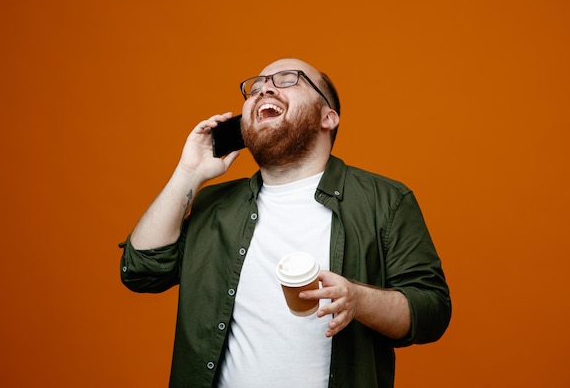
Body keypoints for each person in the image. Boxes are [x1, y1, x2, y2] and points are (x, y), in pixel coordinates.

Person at [119, 58, 451, 388]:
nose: (265, 88)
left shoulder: (386, 201)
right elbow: (140, 270)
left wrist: (358, 299)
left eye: (288, 79)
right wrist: (188, 172)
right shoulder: (213, 205)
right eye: (256, 87)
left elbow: (431, 311)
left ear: (327, 117)